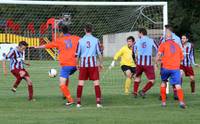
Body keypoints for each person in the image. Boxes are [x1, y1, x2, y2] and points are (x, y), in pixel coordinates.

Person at [35, 23, 80, 106]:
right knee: (66, 76)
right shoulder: (76, 38)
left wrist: (38, 47)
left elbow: (48, 45)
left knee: (62, 84)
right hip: (76, 65)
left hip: (66, 65)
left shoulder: (59, 40)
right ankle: (64, 95)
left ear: (61, 33)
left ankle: (70, 100)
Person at [75, 23, 103, 108]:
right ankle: (98, 102)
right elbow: (100, 54)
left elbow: (77, 55)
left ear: (84, 30)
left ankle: (78, 103)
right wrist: (101, 64)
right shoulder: (96, 40)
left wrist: (77, 64)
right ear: (92, 30)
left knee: (80, 83)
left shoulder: (80, 41)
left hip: (83, 65)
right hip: (93, 65)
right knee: (96, 83)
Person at [156, 30, 186, 108]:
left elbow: (159, 54)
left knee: (163, 82)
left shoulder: (163, 44)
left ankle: (163, 103)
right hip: (175, 68)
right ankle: (181, 102)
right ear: (172, 38)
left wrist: (157, 62)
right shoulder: (177, 45)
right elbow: (182, 58)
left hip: (165, 67)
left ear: (166, 38)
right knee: (178, 85)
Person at [133, 28, 158, 98]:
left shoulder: (137, 41)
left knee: (137, 77)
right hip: (148, 64)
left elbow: (134, 52)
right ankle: (143, 91)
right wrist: (156, 62)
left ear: (141, 33)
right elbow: (158, 49)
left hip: (139, 63)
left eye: (138, 33)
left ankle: (135, 92)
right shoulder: (151, 40)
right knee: (152, 80)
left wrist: (136, 59)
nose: (138, 34)